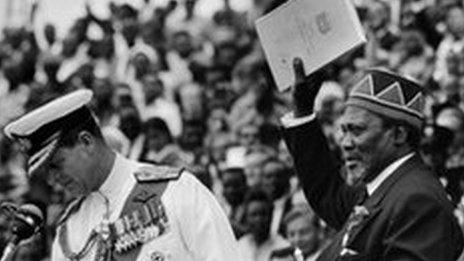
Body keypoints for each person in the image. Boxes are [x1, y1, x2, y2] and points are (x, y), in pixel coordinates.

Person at [3, 89, 240, 261]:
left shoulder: (177, 191)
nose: (53, 179)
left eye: (57, 164)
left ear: (86, 142)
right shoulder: (69, 230)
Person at [281, 58, 464, 260]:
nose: (345, 143)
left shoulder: (418, 201)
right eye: (344, 131)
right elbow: (328, 194)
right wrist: (303, 111)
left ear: (399, 134)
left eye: (357, 130)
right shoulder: (384, 187)